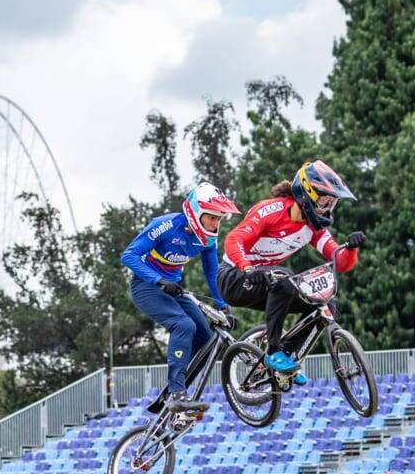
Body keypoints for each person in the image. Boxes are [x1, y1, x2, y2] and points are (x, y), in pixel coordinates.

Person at [217, 161, 365, 382]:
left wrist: (351, 248)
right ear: (306, 194)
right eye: (324, 202)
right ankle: (273, 351)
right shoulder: (271, 210)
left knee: (325, 305)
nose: (327, 209)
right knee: (284, 278)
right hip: (235, 277)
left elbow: (339, 261)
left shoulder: (313, 228)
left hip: (268, 281)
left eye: (331, 204)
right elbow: (233, 239)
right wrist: (247, 268)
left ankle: (286, 355)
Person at [121, 183, 240, 410]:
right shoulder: (165, 225)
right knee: (184, 325)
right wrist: (158, 280)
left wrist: (223, 305)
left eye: (219, 219)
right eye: (212, 218)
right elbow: (129, 255)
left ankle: (174, 391)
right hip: (146, 286)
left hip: (173, 288)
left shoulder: (209, 238)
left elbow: (212, 272)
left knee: (206, 340)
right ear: (196, 213)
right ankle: (177, 392)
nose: (216, 224)